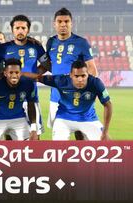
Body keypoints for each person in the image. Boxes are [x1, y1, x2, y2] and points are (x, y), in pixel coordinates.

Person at [0, 15, 49, 136]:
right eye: (17, 28)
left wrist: (33, 75)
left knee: (35, 134)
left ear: (28, 30)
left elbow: (47, 65)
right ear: (12, 30)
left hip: (30, 97)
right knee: (9, 134)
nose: (20, 31)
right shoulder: (4, 47)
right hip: (7, 97)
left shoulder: (36, 46)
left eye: (23, 28)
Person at [45, 8, 98, 140]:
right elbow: (52, 66)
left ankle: (84, 160)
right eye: (60, 21)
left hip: (76, 97)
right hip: (56, 98)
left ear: (71, 23)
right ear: (54, 24)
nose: (63, 24)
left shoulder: (81, 43)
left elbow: (92, 69)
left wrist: (89, 90)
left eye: (66, 21)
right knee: (59, 138)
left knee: (82, 134)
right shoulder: (50, 42)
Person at [27, 60, 112, 140]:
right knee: (58, 149)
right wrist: (19, 75)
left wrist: (105, 131)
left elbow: (108, 104)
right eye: (76, 76)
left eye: (83, 76)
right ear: (70, 75)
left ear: (88, 74)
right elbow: (38, 77)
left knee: (105, 145)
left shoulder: (95, 83)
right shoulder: (61, 80)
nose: (80, 79)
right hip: (64, 119)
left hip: (88, 119)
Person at [0, 58, 38, 141]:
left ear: (21, 73)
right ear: (5, 73)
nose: (14, 75)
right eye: (11, 72)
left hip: (19, 118)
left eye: (17, 72)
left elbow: (31, 105)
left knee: (30, 143)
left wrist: (33, 128)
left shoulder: (28, 84)